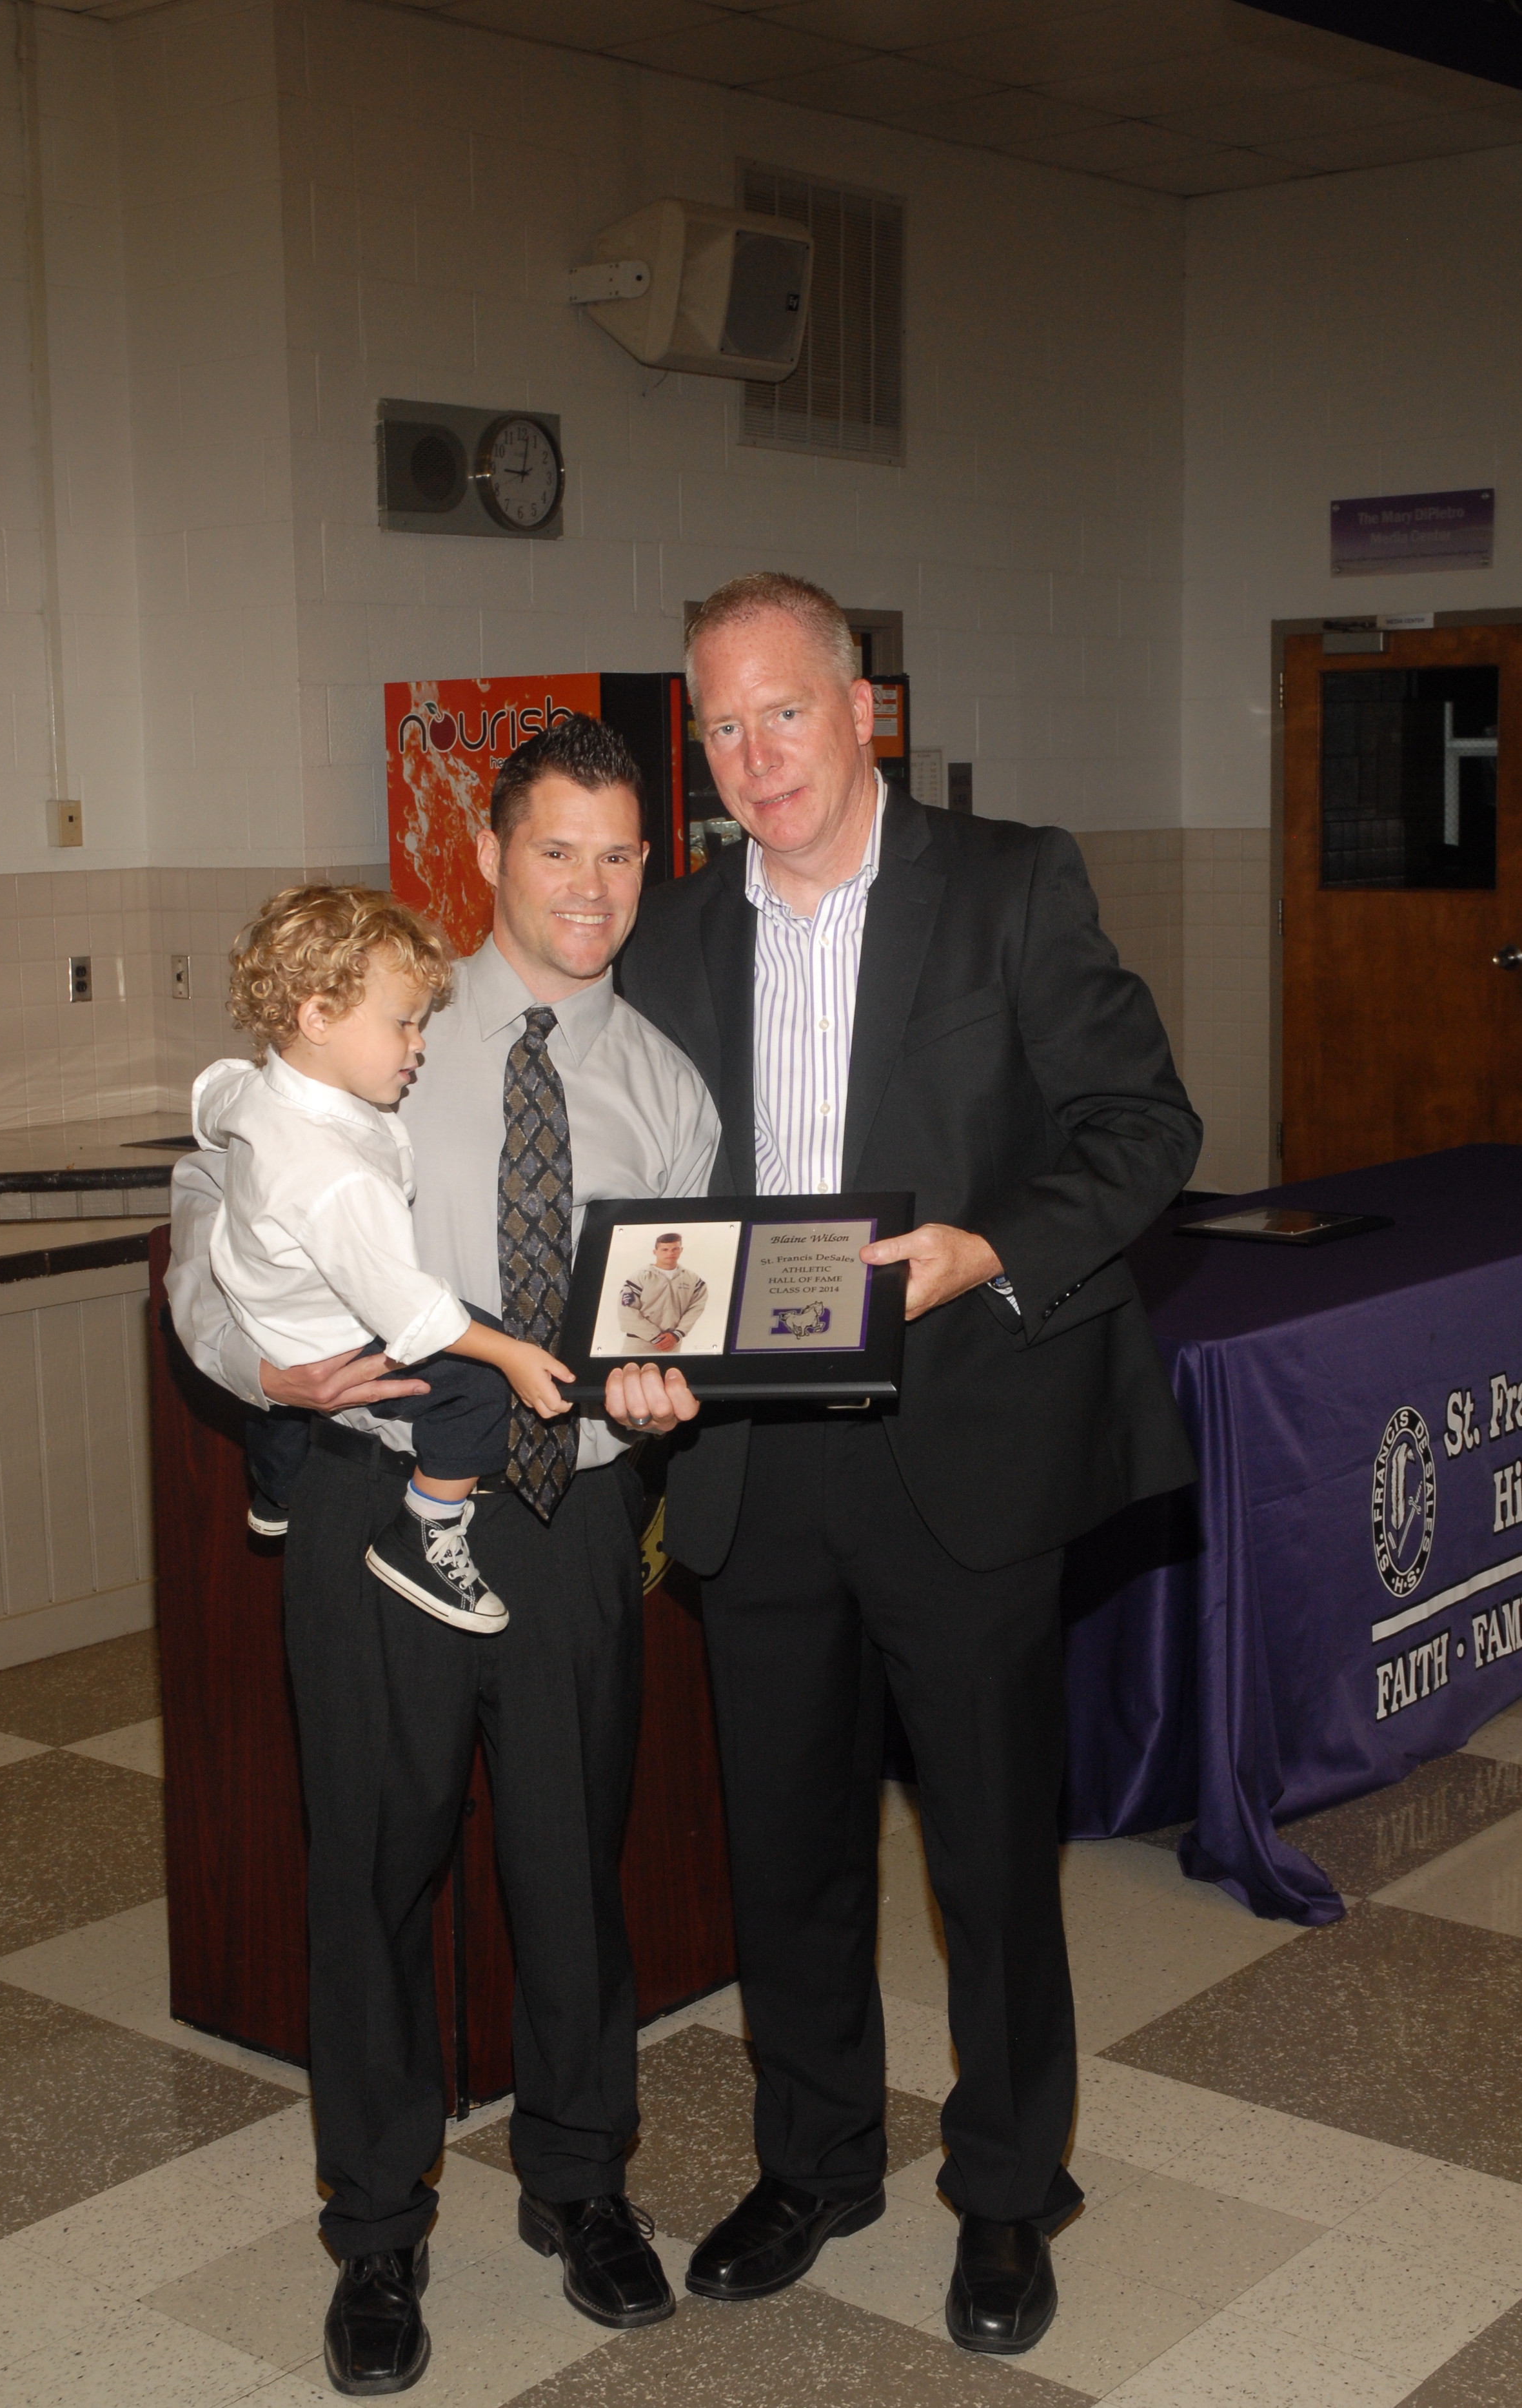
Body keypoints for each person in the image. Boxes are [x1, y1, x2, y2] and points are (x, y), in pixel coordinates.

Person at [614, 571, 1201, 2358]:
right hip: (754, 1459)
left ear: (863, 711)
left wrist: (983, 1246)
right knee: (783, 1838)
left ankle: (1010, 2188)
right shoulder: (678, 933)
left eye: (779, 711)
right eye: (717, 725)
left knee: (988, 1853)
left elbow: (1141, 1125)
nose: (748, 755)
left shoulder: (1011, 883)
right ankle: (817, 2158)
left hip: (961, 1442)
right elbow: (654, 1185)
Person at [166, 714, 719, 2397]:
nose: (592, 884)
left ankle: (580, 2180)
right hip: (364, 1500)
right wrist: (257, 1364)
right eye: (559, 847)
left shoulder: (668, 1087)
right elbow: (204, 1227)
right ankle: (376, 2226)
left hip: (569, 1520)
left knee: (570, 1862)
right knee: (373, 1870)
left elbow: (677, 1301)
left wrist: (665, 1374)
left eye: (622, 853)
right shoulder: (371, 1017)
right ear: (486, 854)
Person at [197, 883, 577, 1633]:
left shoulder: (253, 1090)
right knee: (473, 1385)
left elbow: (212, 1095)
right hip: (331, 1332)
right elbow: (411, 1311)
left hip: (260, 1303)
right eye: (402, 1023)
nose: (419, 1043)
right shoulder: (335, 1177)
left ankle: (275, 1494)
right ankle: (427, 1534)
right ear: (319, 1017)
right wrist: (511, 1355)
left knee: (277, 1411)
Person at [617, 1232, 707, 1352]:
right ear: (655, 1252)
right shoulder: (640, 1277)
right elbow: (626, 1311)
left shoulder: (693, 1280)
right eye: (665, 1250)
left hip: (672, 1344)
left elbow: (696, 1309)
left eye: (675, 1249)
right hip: (639, 1344)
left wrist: (677, 1334)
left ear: (682, 1250)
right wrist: (654, 1336)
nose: (671, 1253)